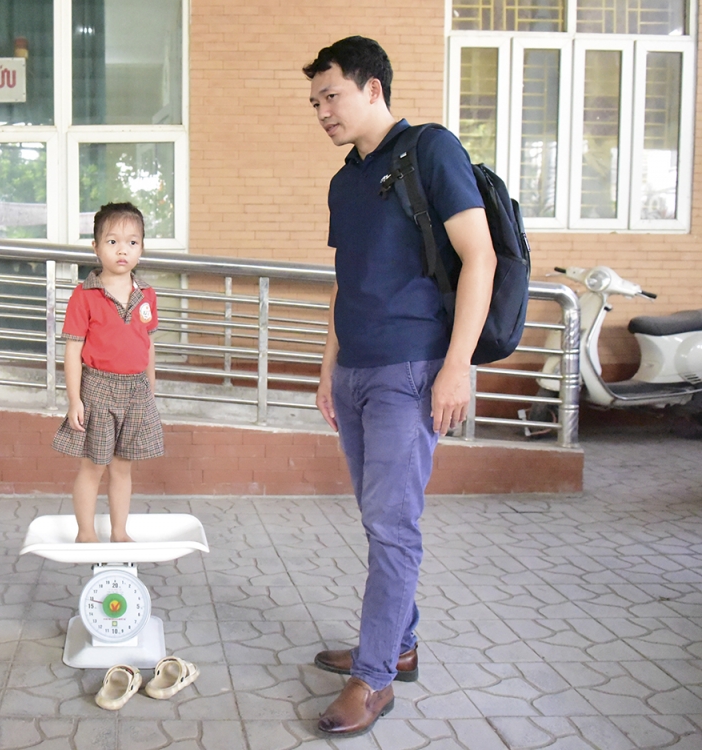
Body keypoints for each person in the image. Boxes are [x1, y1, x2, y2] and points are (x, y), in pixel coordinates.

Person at [303, 37, 496, 737]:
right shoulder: (345, 181)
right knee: (379, 519)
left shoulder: (431, 151)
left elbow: (480, 256)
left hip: (410, 370)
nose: (323, 111)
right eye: (316, 102)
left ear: (374, 88)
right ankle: (398, 643)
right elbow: (344, 281)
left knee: (392, 526)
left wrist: (457, 365)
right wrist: (329, 365)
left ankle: (375, 676)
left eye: (333, 96)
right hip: (355, 371)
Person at [53, 202, 163, 543]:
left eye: (132, 242)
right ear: (96, 247)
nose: (122, 250)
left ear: (141, 248)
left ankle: (119, 532)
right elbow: (72, 350)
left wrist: (151, 390)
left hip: (136, 391)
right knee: (93, 467)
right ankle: (85, 532)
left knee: (122, 467)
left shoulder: (146, 294)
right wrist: (74, 400)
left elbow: (148, 344)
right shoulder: (84, 295)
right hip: (97, 389)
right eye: (112, 241)